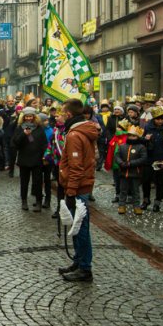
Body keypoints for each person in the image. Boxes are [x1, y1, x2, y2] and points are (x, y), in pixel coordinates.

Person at [58, 98, 99, 282]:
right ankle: (78, 260)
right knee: (76, 227)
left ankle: (85, 268)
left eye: (61, 112)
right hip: (79, 186)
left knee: (80, 228)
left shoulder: (75, 135)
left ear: (68, 114)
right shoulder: (79, 131)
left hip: (78, 187)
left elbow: (76, 167)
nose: (59, 115)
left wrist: (71, 191)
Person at [12, 107, 48, 211]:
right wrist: (24, 134)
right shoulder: (19, 128)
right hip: (24, 158)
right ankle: (24, 201)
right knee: (24, 181)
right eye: (26, 116)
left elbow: (44, 142)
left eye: (30, 116)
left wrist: (44, 155)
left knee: (37, 181)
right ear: (23, 117)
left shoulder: (38, 128)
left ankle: (38, 202)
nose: (28, 118)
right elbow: (15, 143)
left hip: (37, 158)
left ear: (34, 117)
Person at [141, 106, 163, 212]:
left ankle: (157, 202)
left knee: (160, 182)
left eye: (162, 119)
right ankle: (146, 200)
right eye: (157, 119)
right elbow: (141, 139)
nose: (160, 121)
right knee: (146, 180)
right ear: (154, 119)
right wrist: (145, 139)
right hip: (149, 157)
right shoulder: (148, 126)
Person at [115, 125, 147, 215]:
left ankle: (136, 206)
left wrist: (131, 163)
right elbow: (117, 156)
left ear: (137, 137)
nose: (131, 137)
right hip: (123, 172)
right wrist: (121, 163)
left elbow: (143, 158)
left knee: (135, 190)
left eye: (134, 136)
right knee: (123, 190)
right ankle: (121, 205)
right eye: (129, 135)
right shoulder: (122, 146)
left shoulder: (141, 147)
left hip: (135, 173)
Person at [44, 109, 67, 219]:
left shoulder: (68, 130)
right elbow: (51, 144)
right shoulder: (56, 130)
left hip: (68, 164)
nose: (56, 118)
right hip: (58, 163)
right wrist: (47, 155)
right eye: (56, 116)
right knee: (60, 187)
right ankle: (60, 208)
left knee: (68, 187)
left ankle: (69, 208)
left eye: (58, 116)